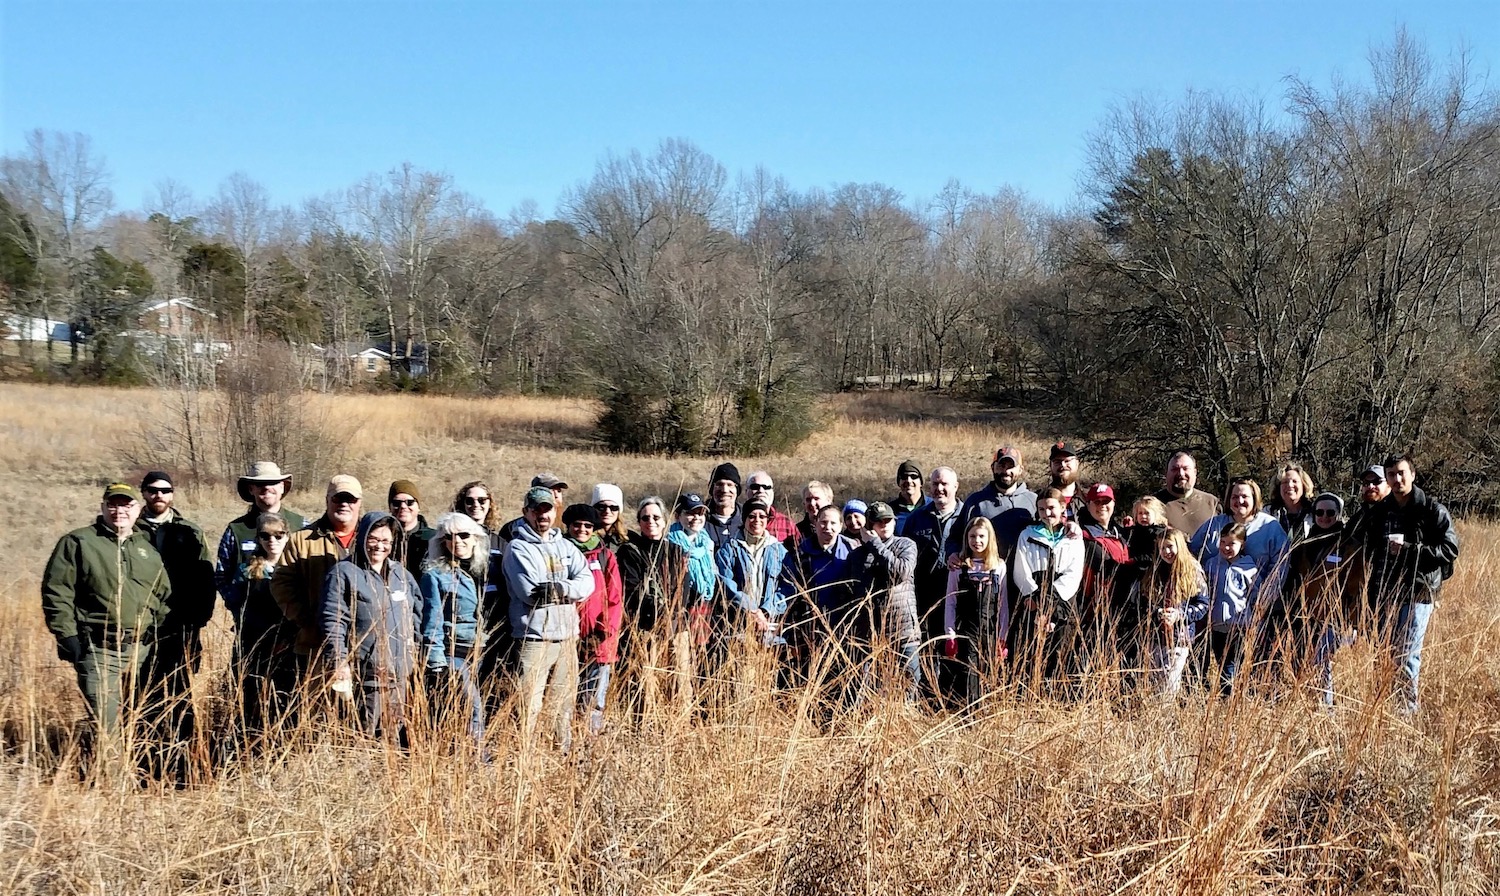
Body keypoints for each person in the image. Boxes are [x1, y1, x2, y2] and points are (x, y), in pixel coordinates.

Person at [41, 483, 171, 767]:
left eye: (126, 505)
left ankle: (138, 777)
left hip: (140, 651)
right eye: (113, 504)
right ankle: (113, 789)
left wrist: (154, 631)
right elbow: (57, 592)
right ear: (102, 508)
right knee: (106, 722)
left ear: (138, 510)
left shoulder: (146, 550)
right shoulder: (79, 543)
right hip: (99, 649)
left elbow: (162, 595)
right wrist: (67, 637)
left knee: (138, 718)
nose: (119, 511)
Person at [1355, 454, 1460, 715]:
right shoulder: (1380, 511)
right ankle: (1383, 707)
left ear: (1412, 475)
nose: (1397, 478)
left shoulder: (1432, 509)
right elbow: (1363, 544)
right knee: (1383, 652)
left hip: (1418, 591)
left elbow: (1450, 549)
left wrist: (1410, 550)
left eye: (1401, 473)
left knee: (1407, 654)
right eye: (1392, 474)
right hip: (1383, 591)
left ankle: (1407, 711)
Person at [133, 471, 215, 768]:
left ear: (172, 494)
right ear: (143, 492)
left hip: (181, 625)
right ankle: (145, 762)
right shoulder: (131, 529)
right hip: (140, 628)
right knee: (139, 693)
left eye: (165, 490)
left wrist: (198, 622)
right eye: (153, 490)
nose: (159, 496)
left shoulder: (190, 531)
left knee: (180, 691)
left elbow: (206, 578)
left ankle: (183, 763)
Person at [504, 487, 593, 748]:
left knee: (562, 705)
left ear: (556, 512)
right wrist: (568, 588)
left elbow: (587, 582)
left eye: (547, 509)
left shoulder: (566, 546)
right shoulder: (517, 548)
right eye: (536, 509)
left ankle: (560, 755)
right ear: (526, 512)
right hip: (533, 639)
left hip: (566, 638)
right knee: (529, 705)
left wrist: (560, 588)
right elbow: (530, 592)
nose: (542, 515)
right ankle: (526, 759)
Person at [322, 511, 421, 740]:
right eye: (373, 539)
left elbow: (416, 615)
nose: (379, 546)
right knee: (363, 738)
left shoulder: (401, 575)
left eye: (386, 541)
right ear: (362, 537)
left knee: (392, 740)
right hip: (365, 677)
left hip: (399, 677)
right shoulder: (344, 572)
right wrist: (339, 662)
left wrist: (413, 652)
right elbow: (334, 620)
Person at [272, 475, 363, 685]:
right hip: (316, 645)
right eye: (338, 499)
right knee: (319, 709)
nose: (344, 505)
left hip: (364, 645)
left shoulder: (373, 540)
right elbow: (281, 584)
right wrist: (307, 620)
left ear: (360, 503)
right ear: (327, 500)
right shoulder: (302, 540)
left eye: (351, 500)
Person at [418, 512, 488, 748]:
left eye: (464, 535)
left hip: (479, 652)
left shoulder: (487, 570)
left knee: (468, 707)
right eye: (450, 537)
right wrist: (436, 663)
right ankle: (480, 760)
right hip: (452, 653)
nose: (457, 541)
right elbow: (432, 620)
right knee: (473, 706)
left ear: (476, 537)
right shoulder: (435, 575)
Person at [615, 496, 690, 715]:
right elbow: (633, 590)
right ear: (638, 522)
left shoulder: (676, 551)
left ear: (665, 521)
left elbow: (683, 589)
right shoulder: (630, 552)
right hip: (646, 629)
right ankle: (647, 732)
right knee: (647, 687)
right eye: (645, 518)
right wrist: (660, 613)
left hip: (677, 629)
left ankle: (679, 730)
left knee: (680, 684)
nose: (651, 522)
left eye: (656, 517)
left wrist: (672, 614)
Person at [1009, 488, 1085, 693]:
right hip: (1032, 603)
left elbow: (1073, 575)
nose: (1047, 513)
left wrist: (1051, 605)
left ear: (1063, 508)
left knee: (1060, 657)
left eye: (1051, 508)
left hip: (1063, 604)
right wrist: (1037, 602)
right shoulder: (1027, 535)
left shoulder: (1073, 538)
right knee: (1031, 657)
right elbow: (1021, 571)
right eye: (1041, 509)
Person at [215, 461, 307, 624]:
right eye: (259, 484)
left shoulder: (302, 525)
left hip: (295, 626)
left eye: (272, 483)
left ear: (282, 487)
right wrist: (238, 607)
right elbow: (222, 575)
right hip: (252, 628)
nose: (266, 487)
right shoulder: (236, 530)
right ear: (251, 489)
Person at [849, 502, 923, 703]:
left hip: (903, 628)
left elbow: (900, 571)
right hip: (869, 630)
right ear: (869, 526)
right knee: (866, 686)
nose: (884, 525)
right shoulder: (856, 555)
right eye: (878, 522)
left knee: (910, 680)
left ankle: (906, 721)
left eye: (887, 520)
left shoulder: (906, 545)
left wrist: (876, 545)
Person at [778, 504, 859, 689]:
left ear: (840, 526)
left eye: (832, 523)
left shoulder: (853, 551)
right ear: (815, 523)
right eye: (823, 522)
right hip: (809, 629)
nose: (827, 527)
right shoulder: (801, 553)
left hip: (844, 628)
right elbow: (788, 588)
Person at [902, 466, 963, 703]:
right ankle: (928, 701)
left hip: (958, 597)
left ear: (955, 487)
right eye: (935, 484)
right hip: (924, 597)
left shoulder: (967, 515)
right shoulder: (916, 519)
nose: (939, 489)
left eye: (945, 484)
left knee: (953, 648)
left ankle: (951, 700)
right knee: (927, 650)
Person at [235, 513, 297, 739]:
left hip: (289, 646)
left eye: (279, 535)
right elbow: (241, 607)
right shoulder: (247, 571)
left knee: (286, 701)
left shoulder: (295, 569)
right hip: (256, 645)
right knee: (254, 702)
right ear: (258, 539)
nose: (273, 540)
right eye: (266, 535)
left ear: (287, 536)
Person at [564, 504, 623, 734]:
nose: (582, 529)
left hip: (599, 643)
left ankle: (590, 742)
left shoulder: (605, 556)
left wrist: (602, 632)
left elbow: (615, 599)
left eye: (588, 525)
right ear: (568, 526)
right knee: (565, 699)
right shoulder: (561, 553)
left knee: (594, 701)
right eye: (576, 525)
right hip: (567, 639)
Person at [1130, 528, 1208, 697]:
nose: (1166, 552)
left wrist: (1180, 614)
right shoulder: (1154, 570)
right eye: (1162, 547)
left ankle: (1167, 719)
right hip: (1154, 637)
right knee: (1152, 682)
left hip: (1179, 637)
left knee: (1169, 685)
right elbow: (1143, 602)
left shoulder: (1192, 571)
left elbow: (1203, 604)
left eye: (1170, 546)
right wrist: (1157, 612)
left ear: (1179, 546)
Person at [942, 517, 1008, 707]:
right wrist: (950, 635)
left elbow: (1003, 605)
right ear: (966, 538)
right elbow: (950, 602)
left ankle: (988, 714)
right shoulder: (958, 568)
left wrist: (1002, 636)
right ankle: (970, 715)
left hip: (990, 631)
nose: (976, 541)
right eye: (972, 536)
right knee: (968, 674)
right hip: (965, 631)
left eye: (981, 536)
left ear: (989, 538)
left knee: (989, 673)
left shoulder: (998, 567)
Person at [455, 480, 510, 706]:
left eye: (481, 500)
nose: (475, 505)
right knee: (463, 687)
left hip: (495, 622)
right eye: (469, 501)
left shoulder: (500, 542)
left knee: (489, 682)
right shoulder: (453, 536)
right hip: (462, 623)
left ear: (490, 505)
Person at [1189, 477, 1290, 594]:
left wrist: (1264, 598)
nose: (1240, 501)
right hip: (1214, 603)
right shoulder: (1213, 525)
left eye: (1245, 496)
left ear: (1254, 498)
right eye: (1235, 497)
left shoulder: (1270, 527)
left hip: (1256, 603)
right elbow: (1191, 555)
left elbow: (1280, 566)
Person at [1077, 482, 1134, 678]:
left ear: (1114, 503)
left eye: (1106, 501)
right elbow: (1108, 568)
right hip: (1095, 613)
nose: (1102, 506)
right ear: (1088, 504)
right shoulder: (1083, 536)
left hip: (1123, 610)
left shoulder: (1120, 532)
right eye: (1096, 502)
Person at [948, 446, 1037, 560]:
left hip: (1024, 573)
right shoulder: (975, 501)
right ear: (993, 468)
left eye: (1011, 466)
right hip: (984, 574)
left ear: (1020, 469)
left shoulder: (1033, 501)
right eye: (1001, 466)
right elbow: (955, 538)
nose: (1006, 471)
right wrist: (953, 553)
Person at [1201, 523, 1258, 695]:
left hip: (1237, 625)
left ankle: (1231, 697)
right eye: (1223, 542)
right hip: (1214, 625)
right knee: (1213, 661)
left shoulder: (1248, 568)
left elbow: (1255, 596)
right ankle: (1207, 694)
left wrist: (1253, 619)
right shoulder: (1211, 565)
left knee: (1231, 665)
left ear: (1242, 544)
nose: (1226, 547)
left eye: (1232, 543)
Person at [1154, 451, 1223, 536]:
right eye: (1175, 469)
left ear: (1195, 472)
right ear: (1166, 473)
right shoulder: (1152, 505)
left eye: (1186, 468)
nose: (1181, 473)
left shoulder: (1212, 503)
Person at [388, 479, 435, 574]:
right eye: (397, 503)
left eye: (409, 502)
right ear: (390, 507)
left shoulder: (433, 538)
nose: (403, 507)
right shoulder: (383, 539)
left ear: (418, 507)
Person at [1265, 462, 1316, 544]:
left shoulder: (1316, 512)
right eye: (1285, 482)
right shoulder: (1267, 513)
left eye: (1295, 481)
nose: (1290, 485)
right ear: (1278, 488)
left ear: (1304, 485)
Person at [743, 471, 797, 543]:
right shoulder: (736, 521)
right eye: (755, 487)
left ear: (772, 493)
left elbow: (798, 551)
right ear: (746, 492)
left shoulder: (786, 523)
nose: (761, 491)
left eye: (766, 487)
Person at [705, 463, 743, 549]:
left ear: (737, 490)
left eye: (730, 485)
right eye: (719, 484)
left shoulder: (747, 518)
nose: (724, 490)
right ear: (712, 488)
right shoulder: (700, 518)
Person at [1046, 441, 1087, 521]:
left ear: (1077, 463)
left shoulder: (1089, 499)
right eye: (1057, 462)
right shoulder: (1039, 499)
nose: (1063, 465)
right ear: (1050, 466)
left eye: (1067, 461)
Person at [789, 481, 834, 550]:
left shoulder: (837, 530)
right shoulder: (796, 531)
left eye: (816, 499)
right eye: (808, 500)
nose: (812, 503)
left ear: (828, 501)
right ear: (804, 503)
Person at [889, 460, 927, 531]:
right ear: (899, 482)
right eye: (904, 477)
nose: (909, 481)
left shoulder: (932, 507)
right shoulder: (889, 511)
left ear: (921, 482)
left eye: (914, 476)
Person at [590, 483, 629, 551]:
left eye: (613, 508)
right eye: (601, 507)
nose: (607, 511)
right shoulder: (584, 536)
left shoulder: (630, 538)